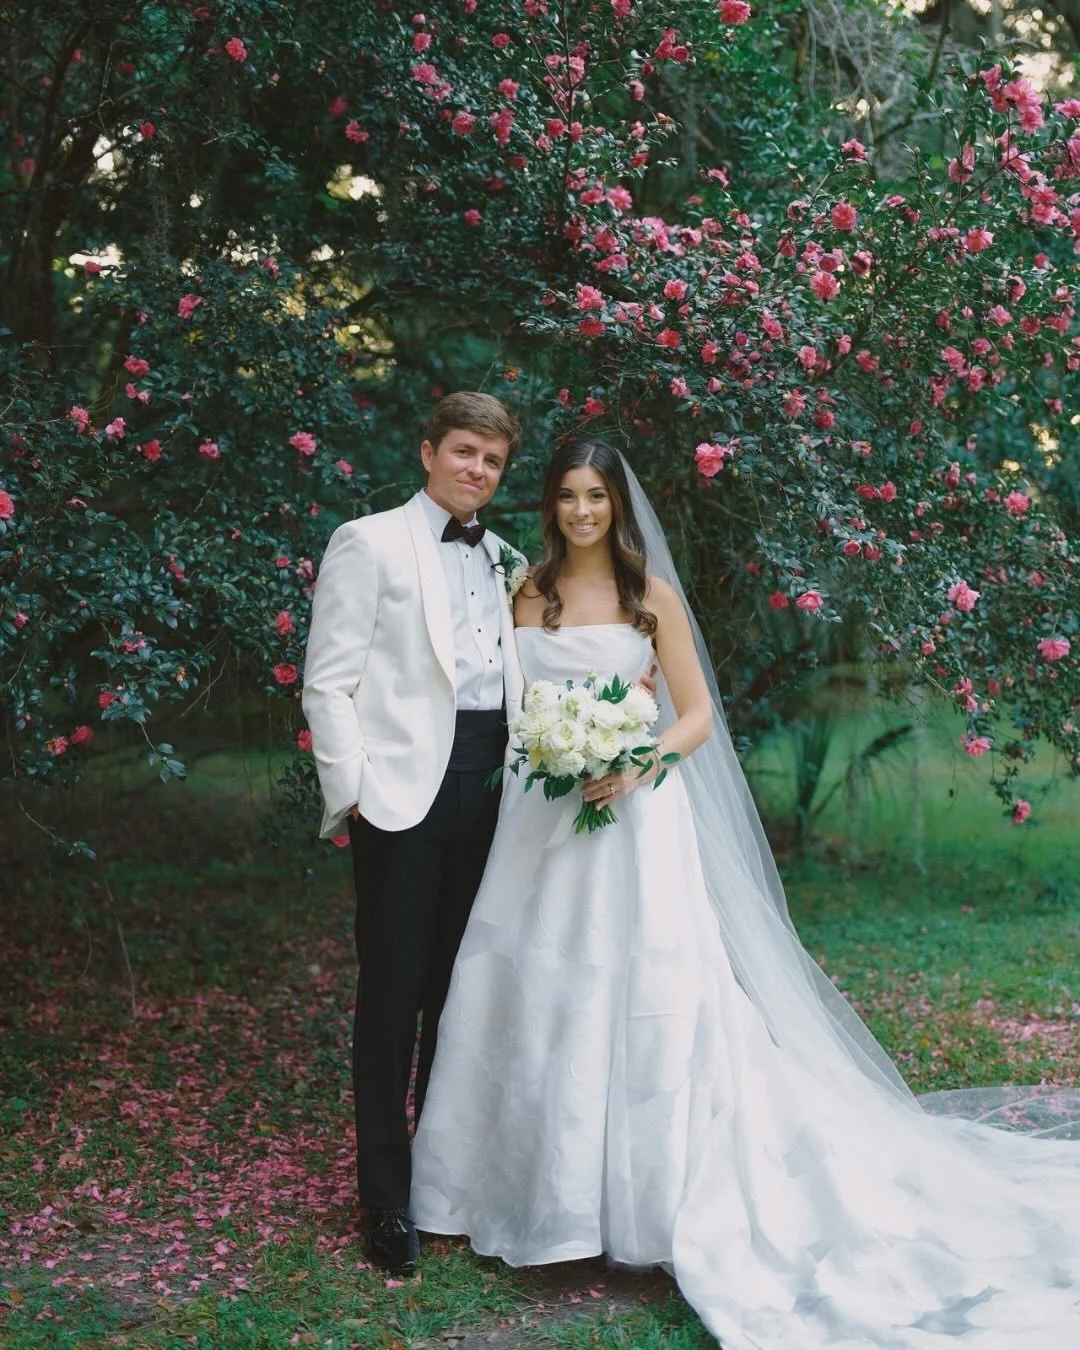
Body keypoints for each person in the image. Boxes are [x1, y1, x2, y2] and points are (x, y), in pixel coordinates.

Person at [410, 436, 1080, 1348]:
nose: (581, 513)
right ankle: (524, 1196)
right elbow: (512, 700)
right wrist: (558, 750)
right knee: (529, 986)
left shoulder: (653, 599)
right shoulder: (526, 591)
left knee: (637, 992)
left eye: (596, 497)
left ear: (617, 504)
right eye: (566, 496)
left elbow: (692, 716)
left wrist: (631, 760)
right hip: (538, 820)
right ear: (548, 504)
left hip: (636, 821)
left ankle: (636, 1208)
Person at [301, 391, 525, 1274]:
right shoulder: (370, 541)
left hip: (493, 788)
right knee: (392, 999)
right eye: (464, 451)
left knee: (457, 994)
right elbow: (328, 680)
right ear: (429, 450)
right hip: (399, 798)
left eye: (493, 461)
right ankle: (386, 1202)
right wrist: (352, 792)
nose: (477, 470)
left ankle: (439, 1182)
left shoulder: (506, 558)